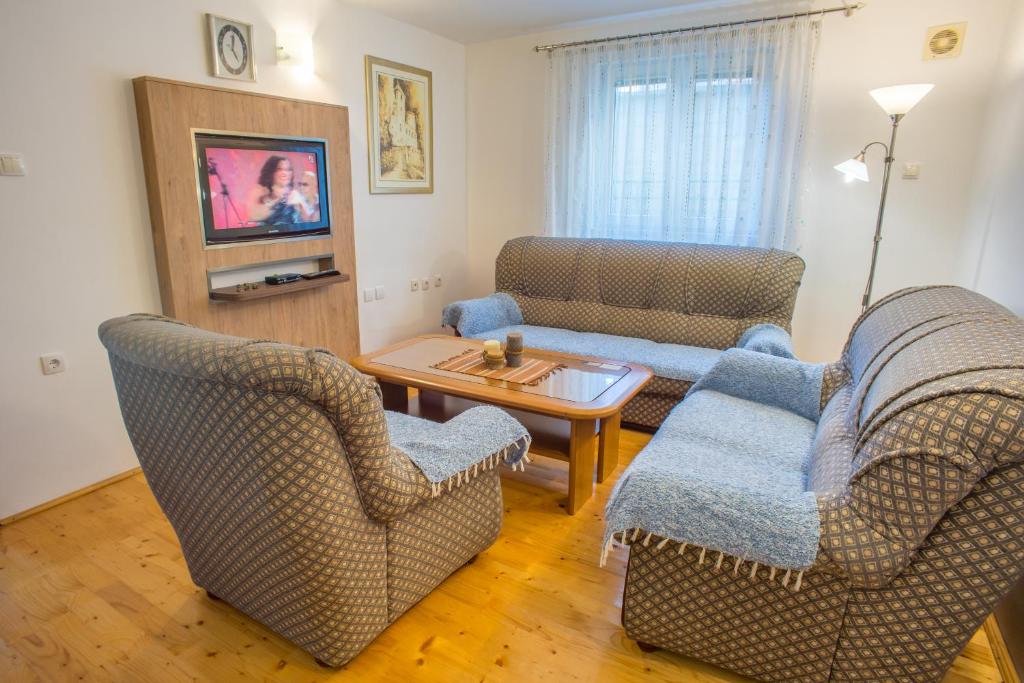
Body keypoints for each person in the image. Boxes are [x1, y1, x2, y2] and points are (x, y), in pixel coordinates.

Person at [246, 156, 301, 226]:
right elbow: (253, 216)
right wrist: (276, 198)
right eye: (279, 169)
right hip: (265, 235)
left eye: (288, 169)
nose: (285, 173)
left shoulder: (295, 193)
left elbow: (308, 222)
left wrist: (301, 203)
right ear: (271, 172)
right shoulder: (260, 190)